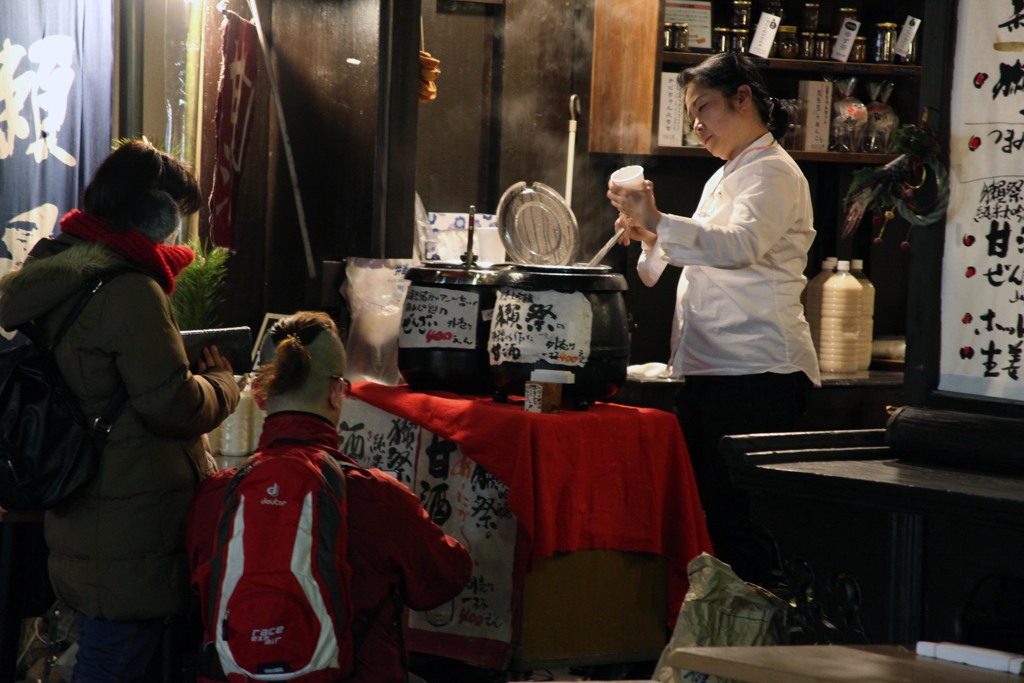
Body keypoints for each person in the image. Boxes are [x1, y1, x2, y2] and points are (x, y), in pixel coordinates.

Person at [0, 138, 241, 681]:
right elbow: (171, 405)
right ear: (154, 213)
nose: (178, 231)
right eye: (177, 216)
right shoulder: (129, 287)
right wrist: (222, 381)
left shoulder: (65, 270)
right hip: (130, 514)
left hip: (84, 501)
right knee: (115, 658)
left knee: (100, 649)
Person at [606, 52, 821, 583]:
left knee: (738, 521)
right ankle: (720, 642)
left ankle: (755, 653)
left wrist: (659, 220)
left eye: (703, 109)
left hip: (757, 372)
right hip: (708, 370)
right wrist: (649, 233)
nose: (696, 125)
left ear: (743, 98)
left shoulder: (773, 171)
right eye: (690, 114)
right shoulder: (726, 175)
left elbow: (742, 246)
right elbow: (680, 261)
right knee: (708, 520)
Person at [186, 311, 472, 683]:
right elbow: (442, 580)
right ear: (338, 394)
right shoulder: (377, 495)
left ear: (258, 394)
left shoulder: (215, 495)